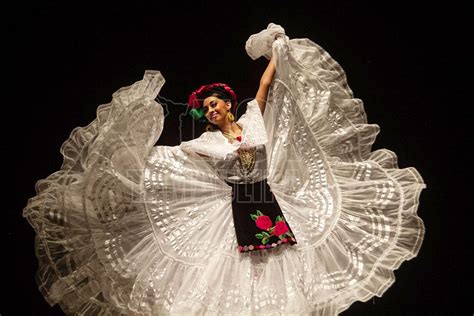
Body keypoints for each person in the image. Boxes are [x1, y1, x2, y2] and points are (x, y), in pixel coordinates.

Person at [23, 23, 426, 315]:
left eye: (215, 105)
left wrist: (277, 51)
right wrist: (126, 145)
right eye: (205, 110)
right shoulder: (203, 143)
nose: (211, 111)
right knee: (237, 272)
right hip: (237, 206)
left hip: (270, 197)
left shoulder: (252, 119)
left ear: (227, 104)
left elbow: (265, 88)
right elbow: (161, 162)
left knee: (286, 265)